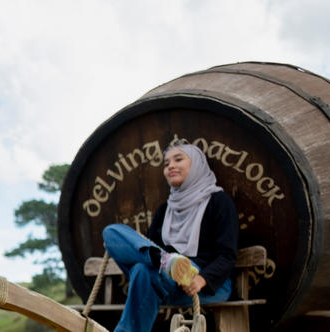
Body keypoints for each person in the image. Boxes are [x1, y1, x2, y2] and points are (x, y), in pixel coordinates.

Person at [101, 142, 238, 332]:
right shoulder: (165, 210)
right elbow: (148, 250)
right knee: (112, 233)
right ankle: (167, 261)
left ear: (197, 164)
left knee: (142, 270)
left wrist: (202, 279)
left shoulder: (219, 202)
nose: (170, 166)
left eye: (178, 159)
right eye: (166, 163)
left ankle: (169, 263)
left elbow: (227, 255)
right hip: (165, 281)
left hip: (203, 285)